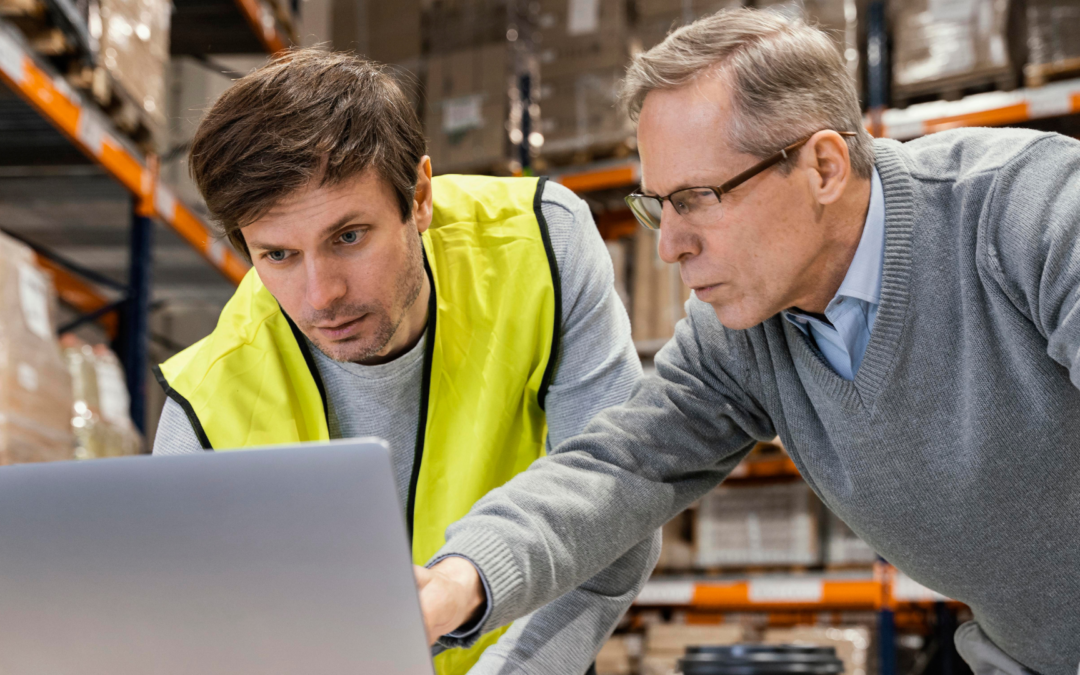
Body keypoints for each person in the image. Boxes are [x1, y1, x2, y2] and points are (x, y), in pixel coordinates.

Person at [416, 8, 1080, 675]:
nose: (670, 245)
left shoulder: (1031, 213)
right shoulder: (743, 334)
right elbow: (621, 466)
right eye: (659, 205)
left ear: (823, 166)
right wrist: (457, 580)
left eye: (698, 197)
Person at [150, 49, 660, 675]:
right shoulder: (206, 400)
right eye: (278, 255)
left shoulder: (541, 249)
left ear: (418, 196)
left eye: (348, 237)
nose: (321, 295)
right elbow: (185, 636)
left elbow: (613, 512)